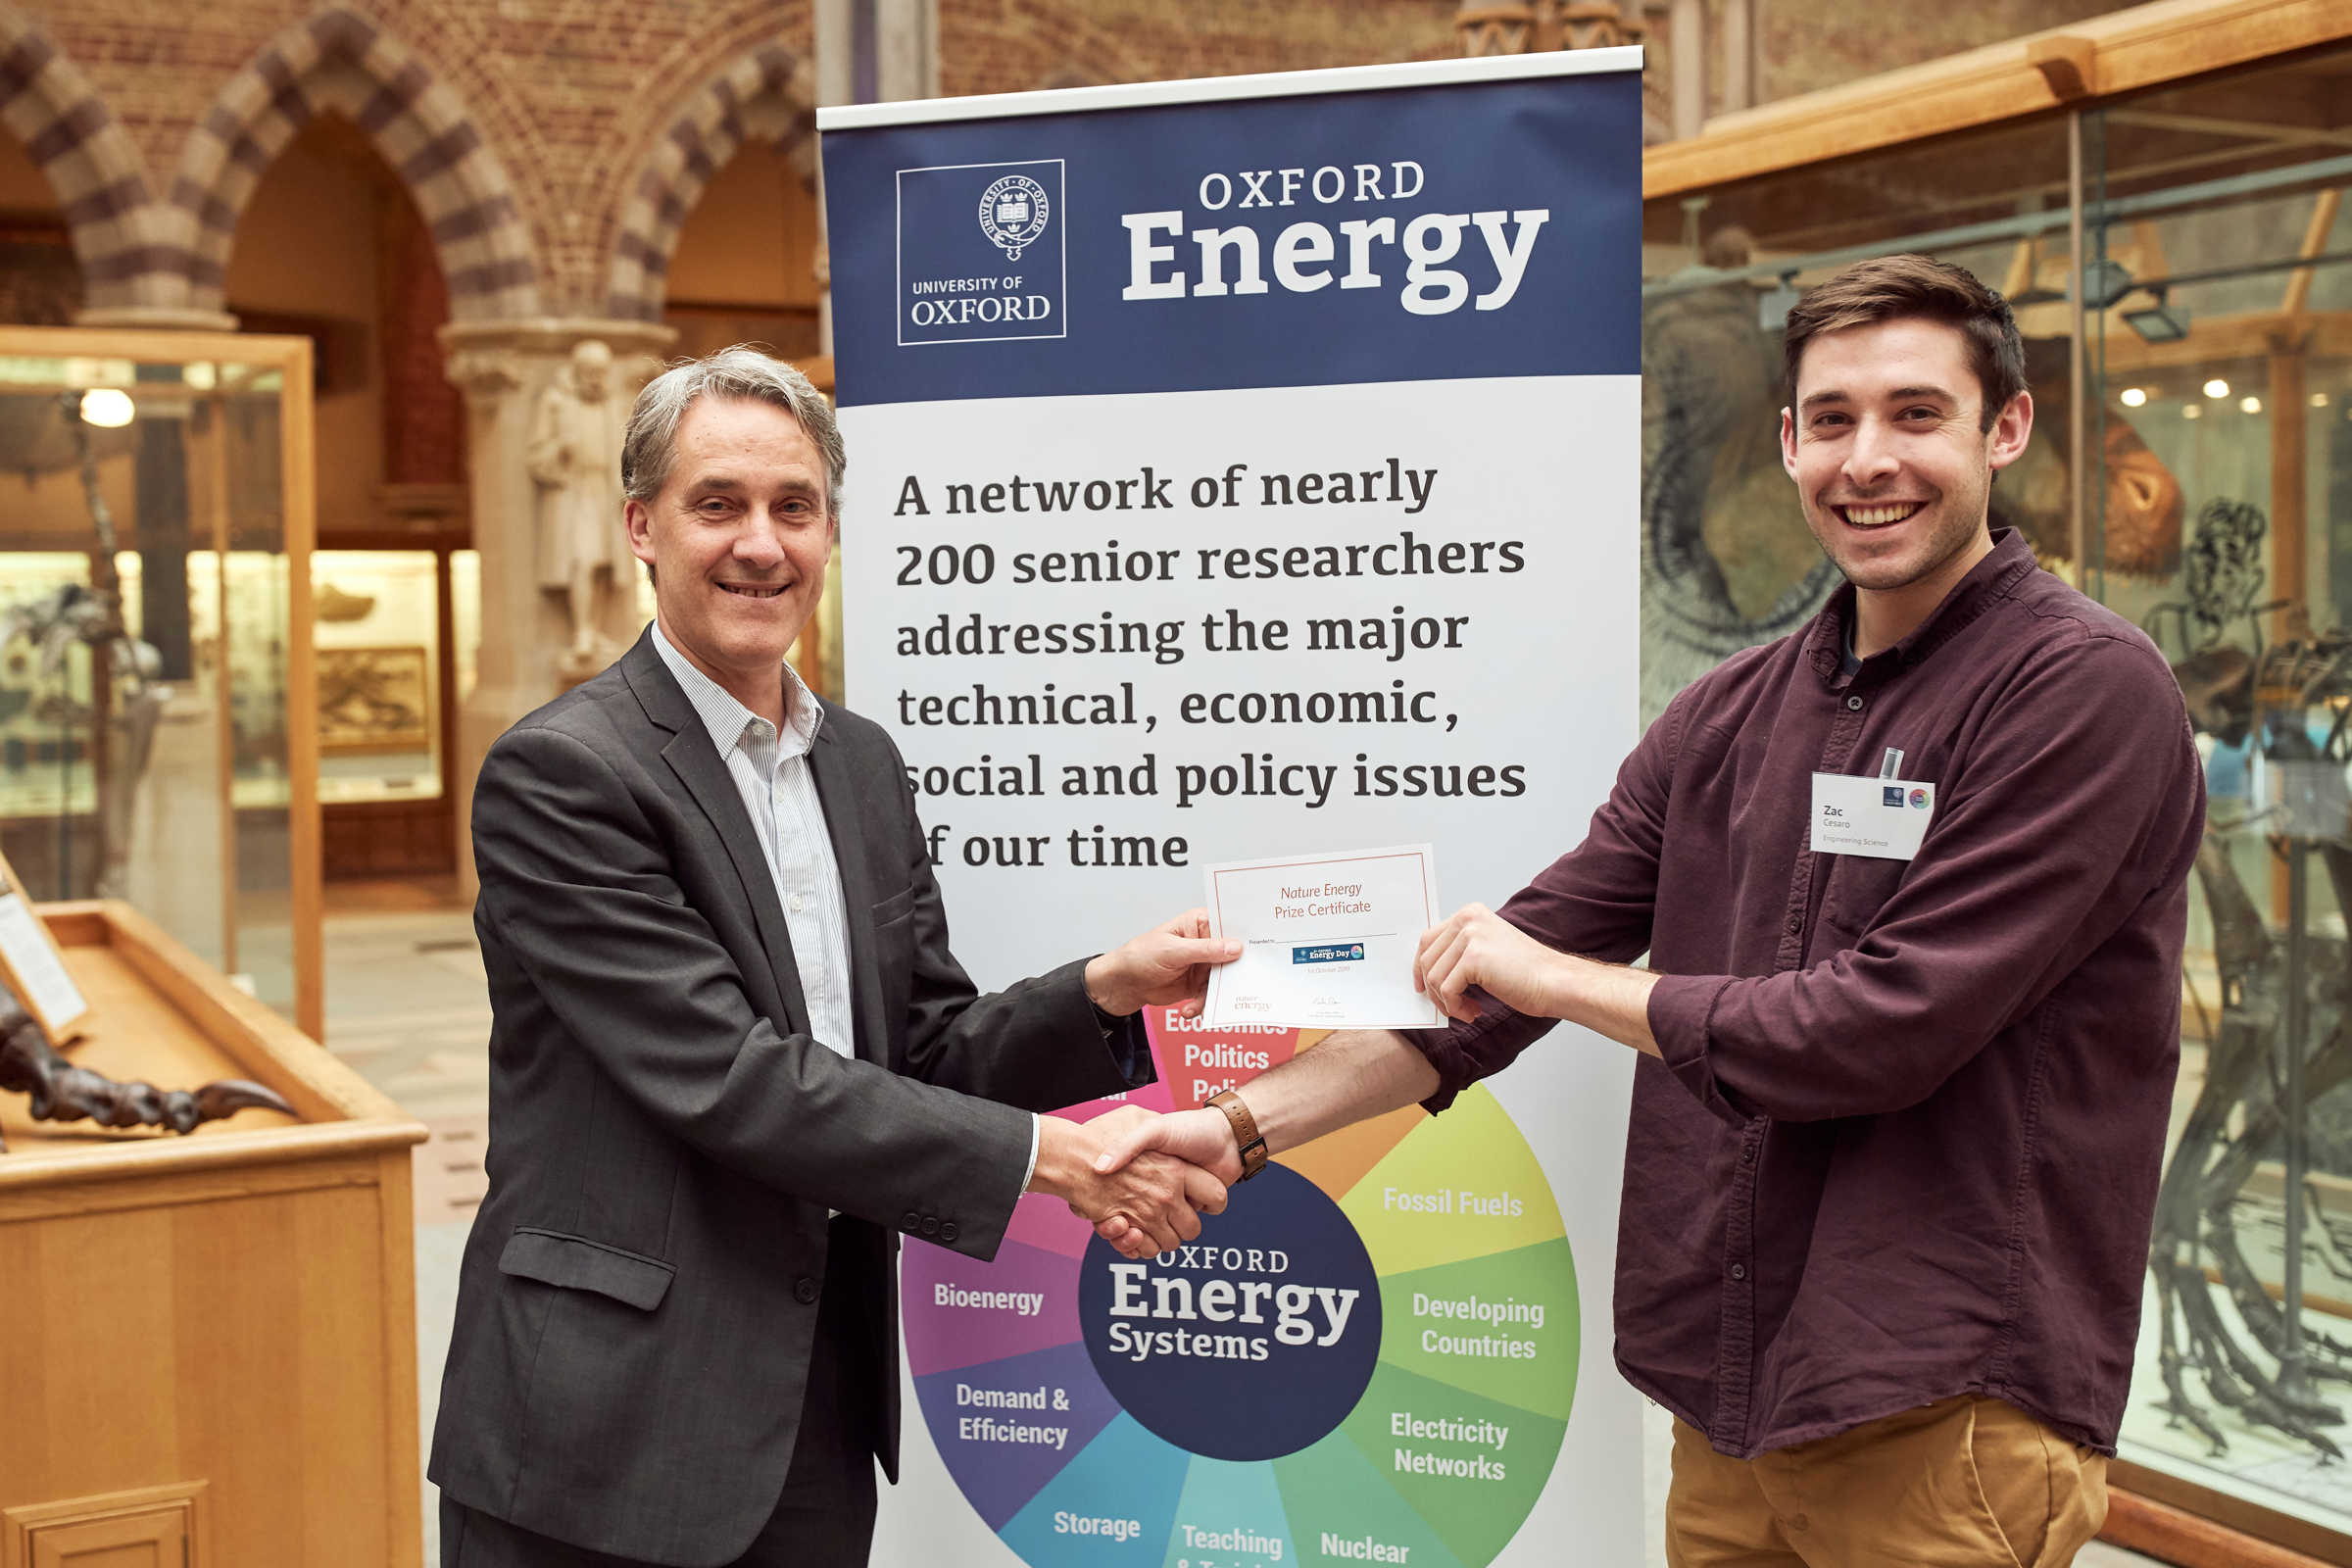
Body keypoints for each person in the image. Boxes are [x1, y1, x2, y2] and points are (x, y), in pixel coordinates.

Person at [1096, 255, 2205, 1566]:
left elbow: (1876, 1030)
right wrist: (1231, 1130)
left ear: (2003, 430)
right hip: (1733, 1397)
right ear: (1789, 443)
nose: (1870, 460)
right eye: (1834, 420)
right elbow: (1479, 995)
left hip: (1937, 1403)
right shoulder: (1729, 712)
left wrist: (1553, 977)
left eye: (1917, 414)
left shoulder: (2081, 693)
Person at [432, 347, 1235, 1568]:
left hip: (808, 1402)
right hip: (606, 1427)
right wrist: (1054, 1161)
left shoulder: (858, 764)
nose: (763, 543)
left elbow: (920, 1052)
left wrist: (1099, 990)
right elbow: (729, 1075)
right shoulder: (567, 773)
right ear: (643, 526)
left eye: (794, 507)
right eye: (720, 505)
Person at [527, 338, 639, 666]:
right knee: (582, 561)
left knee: (606, 564)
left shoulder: (615, 402)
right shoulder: (556, 401)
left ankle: (594, 627)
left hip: (607, 491)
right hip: (573, 493)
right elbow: (536, 455)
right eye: (589, 371)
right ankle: (582, 631)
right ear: (576, 370)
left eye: (601, 371)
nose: (595, 378)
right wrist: (560, 449)